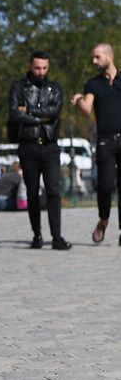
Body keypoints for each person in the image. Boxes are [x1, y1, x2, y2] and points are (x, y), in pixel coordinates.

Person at [8, 51, 71, 250]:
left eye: (45, 68)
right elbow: (14, 115)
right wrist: (40, 117)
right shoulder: (18, 88)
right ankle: (37, 235)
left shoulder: (55, 88)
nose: (41, 72)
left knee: (54, 191)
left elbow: (54, 113)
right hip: (28, 146)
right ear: (30, 66)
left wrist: (29, 111)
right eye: (37, 68)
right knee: (32, 193)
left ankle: (57, 237)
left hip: (50, 145)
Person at [72, 43, 121, 245]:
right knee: (106, 184)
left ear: (109, 57)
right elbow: (87, 110)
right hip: (105, 141)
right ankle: (103, 219)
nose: (94, 61)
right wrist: (80, 101)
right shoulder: (93, 84)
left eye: (97, 57)